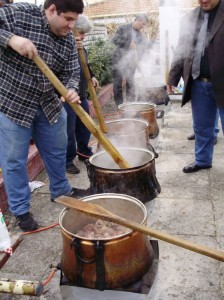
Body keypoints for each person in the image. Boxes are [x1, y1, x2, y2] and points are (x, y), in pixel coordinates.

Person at [0, 0, 89, 232]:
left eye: (74, 20)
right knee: (14, 160)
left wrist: (70, 87)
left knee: (57, 148)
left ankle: (61, 191)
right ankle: (20, 210)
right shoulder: (19, 14)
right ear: (51, 10)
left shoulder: (67, 38)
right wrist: (11, 39)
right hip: (13, 103)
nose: (71, 26)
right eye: (68, 19)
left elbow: (71, 70)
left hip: (48, 103)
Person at [167, 0, 224, 173]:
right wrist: (173, 78)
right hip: (199, 83)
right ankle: (203, 161)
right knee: (201, 127)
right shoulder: (190, 17)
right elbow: (181, 49)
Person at [64, 15, 99, 175]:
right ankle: (68, 160)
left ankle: (84, 151)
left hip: (81, 93)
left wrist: (91, 75)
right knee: (68, 130)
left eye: (85, 33)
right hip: (67, 96)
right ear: (71, 28)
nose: (83, 36)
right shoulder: (64, 46)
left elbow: (85, 64)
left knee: (85, 126)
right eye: (81, 32)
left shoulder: (80, 46)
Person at [112, 14, 149, 106]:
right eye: (143, 24)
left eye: (144, 25)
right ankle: (119, 106)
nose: (143, 27)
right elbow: (115, 40)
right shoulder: (123, 28)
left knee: (131, 84)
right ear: (138, 20)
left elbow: (141, 49)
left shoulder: (140, 35)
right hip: (119, 60)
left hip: (131, 63)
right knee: (117, 85)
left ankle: (130, 106)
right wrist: (128, 43)